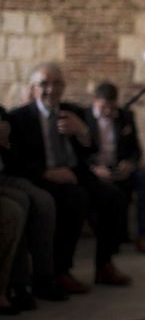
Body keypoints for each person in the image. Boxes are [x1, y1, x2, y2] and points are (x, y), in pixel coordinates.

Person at [8, 63, 132, 294]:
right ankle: (61, 271)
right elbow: (16, 159)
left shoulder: (73, 111)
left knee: (114, 197)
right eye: (44, 84)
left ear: (63, 87)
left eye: (57, 83)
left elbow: (92, 150)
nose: (51, 89)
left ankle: (105, 265)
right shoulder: (20, 117)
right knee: (75, 199)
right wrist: (46, 173)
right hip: (43, 177)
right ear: (33, 88)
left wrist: (83, 132)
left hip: (76, 174)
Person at [0, 106, 68, 310]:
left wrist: (5, 144)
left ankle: (43, 276)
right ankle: (17, 285)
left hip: (7, 176)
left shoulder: (4, 114)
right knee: (18, 204)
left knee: (44, 200)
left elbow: (15, 159)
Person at [84, 81, 145, 254]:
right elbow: (78, 152)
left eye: (112, 107)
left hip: (121, 168)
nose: (108, 112)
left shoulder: (126, 116)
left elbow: (136, 150)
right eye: (103, 107)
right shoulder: (83, 117)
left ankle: (143, 235)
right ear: (94, 100)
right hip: (95, 170)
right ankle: (108, 236)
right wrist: (94, 168)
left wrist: (130, 163)